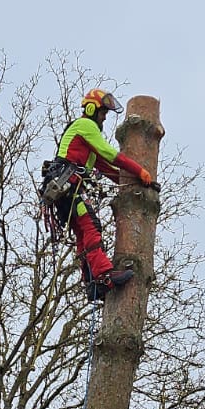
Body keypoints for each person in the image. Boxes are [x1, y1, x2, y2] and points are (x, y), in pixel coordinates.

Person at [41, 89, 157, 300]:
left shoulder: (86, 139)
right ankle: (104, 275)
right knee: (91, 226)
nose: (104, 117)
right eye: (103, 112)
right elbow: (110, 154)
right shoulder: (86, 125)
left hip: (65, 189)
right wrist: (139, 169)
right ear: (92, 109)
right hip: (67, 186)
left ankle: (92, 282)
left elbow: (107, 168)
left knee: (84, 235)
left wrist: (139, 181)